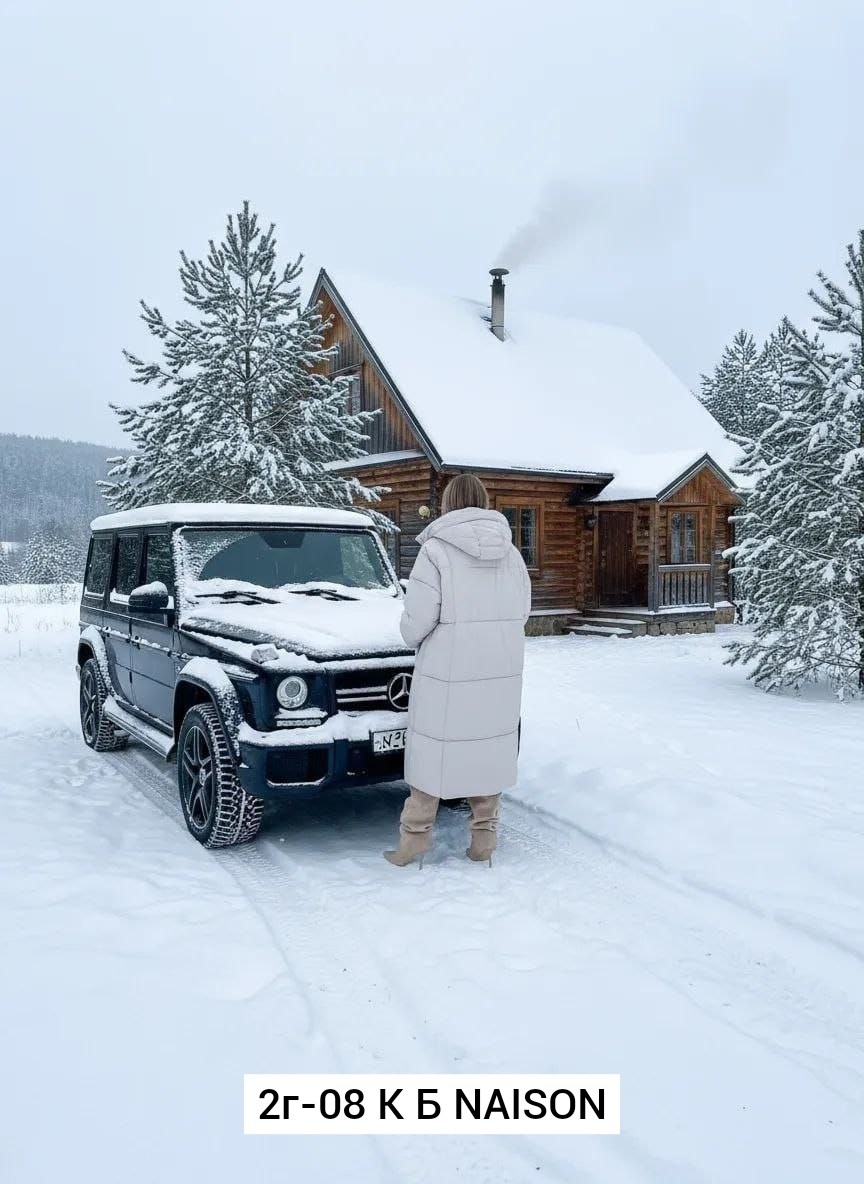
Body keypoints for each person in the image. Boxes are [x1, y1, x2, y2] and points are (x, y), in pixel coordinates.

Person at [384, 473, 532, 867]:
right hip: (498, 668)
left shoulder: (435, 551)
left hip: (446, 671)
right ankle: (483, 843)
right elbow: (522, 612)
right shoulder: (512, 554)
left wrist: (413, 633)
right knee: (487, 750)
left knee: (434, 755)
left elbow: (416, 622)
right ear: (483, 501)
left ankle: (412, 845)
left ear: (448, 503)